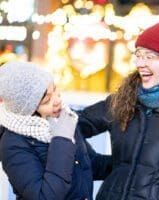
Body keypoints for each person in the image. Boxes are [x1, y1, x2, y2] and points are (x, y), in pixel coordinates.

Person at [77, 21, 159, 200]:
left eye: (149, 57)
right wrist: (98, 163)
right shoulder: (121, 101)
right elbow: (74, 125)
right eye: (138, 55)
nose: (140, 63)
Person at [0, 61, 112, 200]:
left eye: (55, 90)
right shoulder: (13, 144)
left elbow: (90, 165)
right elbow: (45, 196)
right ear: (28, 109)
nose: (57, 100)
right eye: (47, 100)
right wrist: (62, 140)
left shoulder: (62, 118)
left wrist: (132, 163)